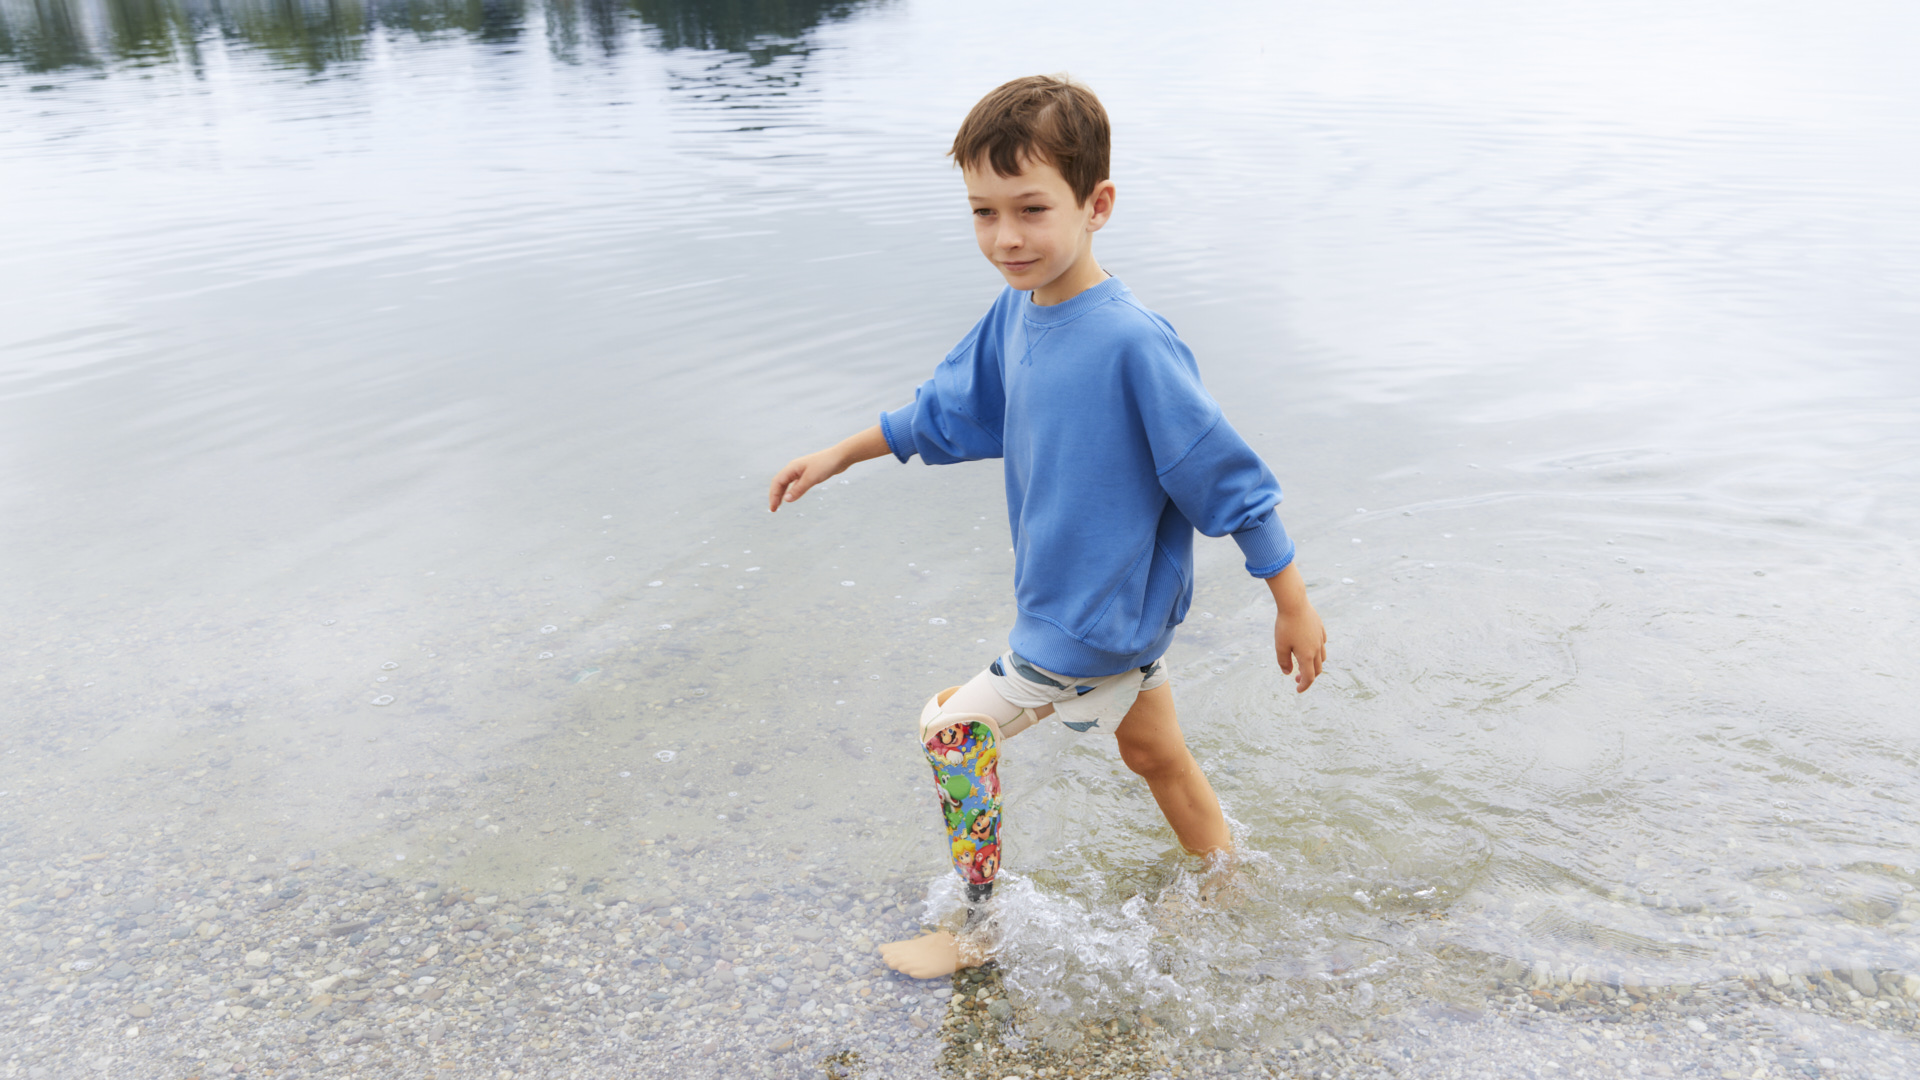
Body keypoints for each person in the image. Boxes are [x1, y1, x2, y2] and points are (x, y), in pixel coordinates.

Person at [766, 75, 1326, 979]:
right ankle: (1228, 877)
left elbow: (1226, 479)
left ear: (1096, 204)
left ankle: (979, 926)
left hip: (1081, 623)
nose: (1007, 238)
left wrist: (1290, 602)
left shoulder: (1132, 343)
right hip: (1117, 615)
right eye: (984, 213)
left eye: (1031, 209)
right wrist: (841, 452)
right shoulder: (1016, 315)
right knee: (1156, 756)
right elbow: (945, 412)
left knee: (951, 733)